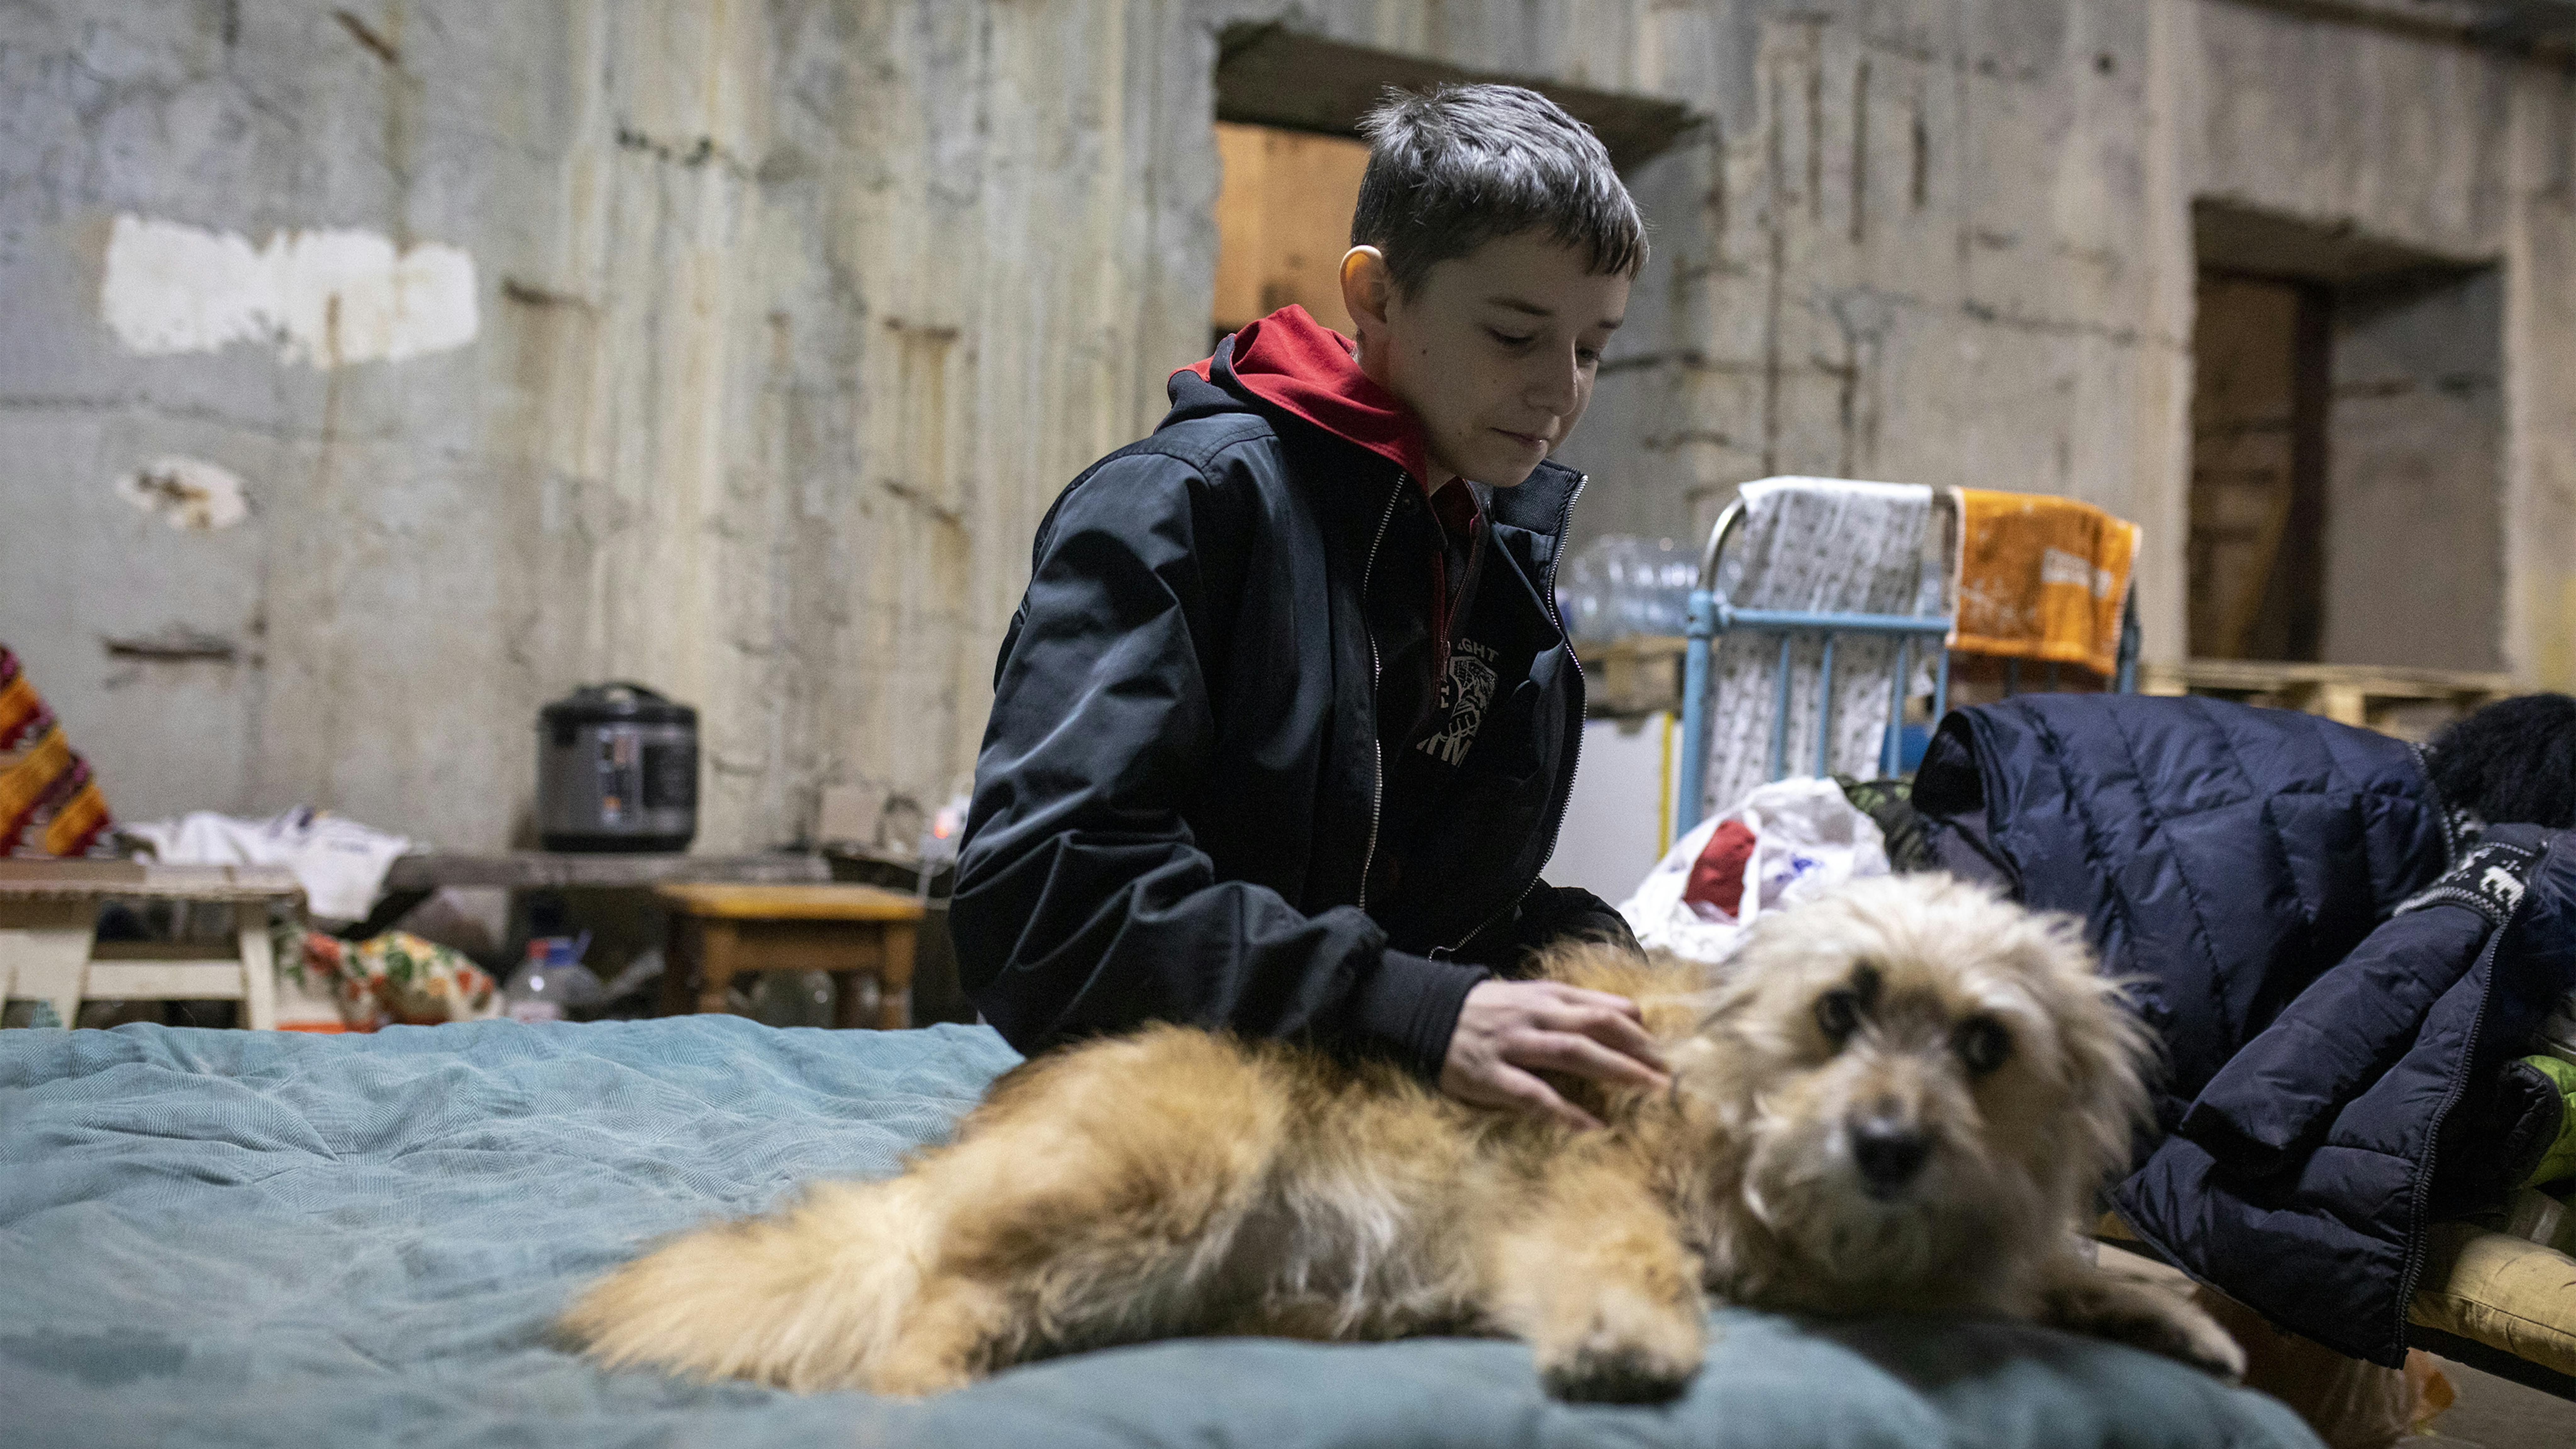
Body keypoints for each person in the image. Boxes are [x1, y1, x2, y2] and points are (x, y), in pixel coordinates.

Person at [950, 84, 1668, 1129]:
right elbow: (1046, 902)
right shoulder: (1183, 509)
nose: (1560, 389)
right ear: (1376, 297)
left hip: (1362, 1119)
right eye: (1516, 335)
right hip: (1163, 1122)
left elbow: (1436, 906)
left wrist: (1591, 961)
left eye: (1592, 349)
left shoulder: (1485, 553)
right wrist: (1403, 1010)